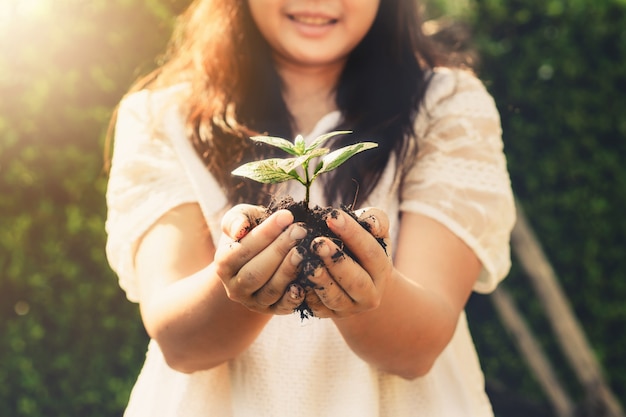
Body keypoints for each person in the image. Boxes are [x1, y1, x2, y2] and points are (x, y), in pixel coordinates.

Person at [105, 0, 516, 416]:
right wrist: (236, 280)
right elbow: (180, 343)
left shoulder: (447, 105)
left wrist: (369, 283)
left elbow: (418, 347)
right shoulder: (160, 118)